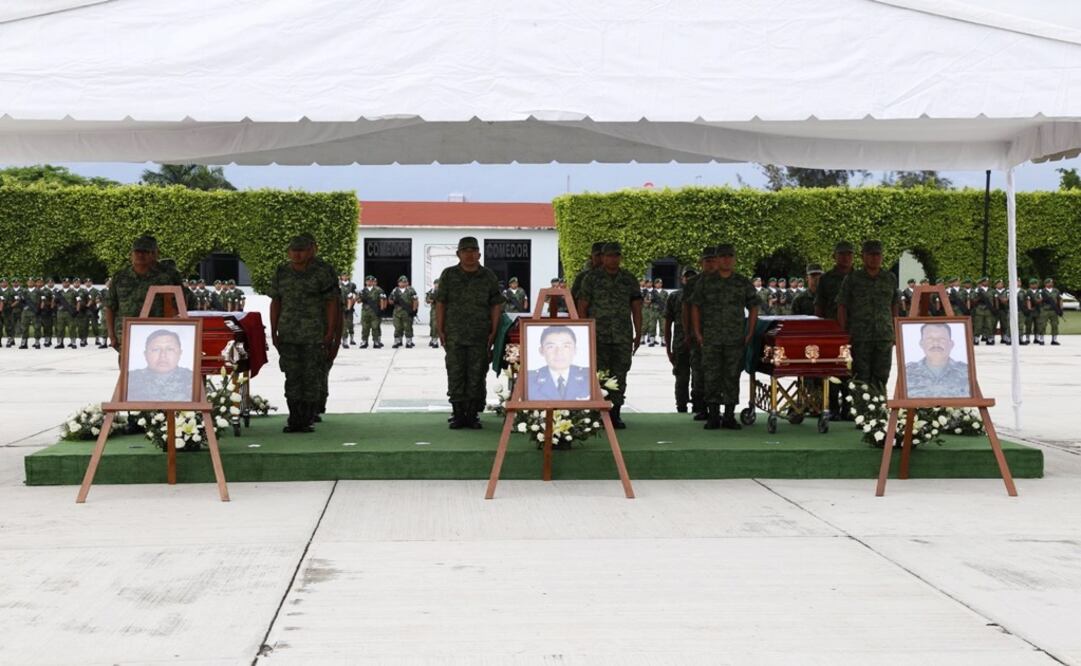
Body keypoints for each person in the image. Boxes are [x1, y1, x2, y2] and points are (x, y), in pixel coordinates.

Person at [268, 234, 340, 433]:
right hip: (289, 333)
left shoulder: (322, 271)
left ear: (312, 250)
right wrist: (274, 330)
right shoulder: (282, 272)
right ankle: (294, 417)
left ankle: (307, 417)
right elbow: (276, 302)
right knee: (292, 375)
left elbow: (332, 303)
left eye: (302, 250)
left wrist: (331, 332)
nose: (297, 254)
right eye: (294, 250)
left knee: (311, 376)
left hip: (314, 334)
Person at [435, 236, 505, 429]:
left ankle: (472, 414)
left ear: (479, 254)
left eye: (473, 251)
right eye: (465, 251)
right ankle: (458, 414)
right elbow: (440, 302)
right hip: (454, 334)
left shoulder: (488, 276)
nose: (469, 255)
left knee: (477, 374)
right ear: (458, 254)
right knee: (455, 372)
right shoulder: (448, 275)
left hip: (480, 334)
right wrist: (440, 329)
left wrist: (494, 331)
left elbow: (496, 305)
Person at [688, 244, 758, 429]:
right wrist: (697, 332)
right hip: (711, 338)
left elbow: (753, 306)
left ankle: (728, 416)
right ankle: (712, 415)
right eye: (723, 256)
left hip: (735, 338)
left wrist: (750, 331)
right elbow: (695, 305)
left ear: (734, 259)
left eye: (730, 256)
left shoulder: (742, 282)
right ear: (717, 259)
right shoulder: (705, 282)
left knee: (732, 375)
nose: (726, 260)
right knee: (711, 375)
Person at [576, 242, 642, 429]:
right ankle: (597, 414)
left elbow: (636, 307)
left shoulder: (628, 279)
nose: (613, 259)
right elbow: (583, 305)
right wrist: (583, 331)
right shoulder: (591, 278)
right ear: (603, 257)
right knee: (598, 375)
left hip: (622, 336)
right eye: (609, 255)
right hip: (598, 335)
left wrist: (638, 332)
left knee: (620, 375)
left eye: (616, 255)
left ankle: (615, 414)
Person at [837, 239, 900, 393]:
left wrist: (896, 330)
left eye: (877, 255)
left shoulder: (889, 278)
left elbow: (895, 305)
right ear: (863, 257)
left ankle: (877, 409)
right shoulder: (853, 279)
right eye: (871, 255)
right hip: (860, 336)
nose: (874, 258)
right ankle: (861, 410)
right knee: (860, 375)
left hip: (883, 335)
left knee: (882, 374)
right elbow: (842, 305)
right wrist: (844, 332)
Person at [664, 267, 699, 413]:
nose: (689, 279)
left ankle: (699, 406)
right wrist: (668, 349)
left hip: (698, 342)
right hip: (680, 343)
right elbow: (667, 324)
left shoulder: (702, 295)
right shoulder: (674, 297)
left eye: (692, 276)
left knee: (699, 377)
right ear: (681, 279)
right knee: (681, 378)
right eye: (687, 276)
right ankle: (681, 407)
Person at [904, 323, 971, 398]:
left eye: (942, 339)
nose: (936, 343)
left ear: (951, 344)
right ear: (921, 343)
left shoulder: (967, 371)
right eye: (930, 339)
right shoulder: (907, 372)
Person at [526, 325, 592, 401]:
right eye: (551, 347)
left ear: (575, 350)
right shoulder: (529, 380)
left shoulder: (589, 376)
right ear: (541, 351)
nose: (559, 352)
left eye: (566, 346)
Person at [126, 329, 195, 401]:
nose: (163, 355)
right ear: (145, 354)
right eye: (156, 349)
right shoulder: (131, 379)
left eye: (170, 349)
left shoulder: (192, 378)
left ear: (180, 353)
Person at [358, 275, 386, 349]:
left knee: (375, 327)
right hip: (365, 311)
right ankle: (364, 341)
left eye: (371, 281)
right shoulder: (362, 291)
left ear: (373, 282)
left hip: (375, 311)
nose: (369, 282)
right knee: (365, 327)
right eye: (368, 281)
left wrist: (382, 310)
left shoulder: (378, 290)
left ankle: (376, 341)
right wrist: (362, 298)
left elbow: (382, 300)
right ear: (365, 282)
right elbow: (358, 301)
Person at [390, 275, 418, 348]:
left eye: (405, 282)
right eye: (401, 282)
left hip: (407, 313)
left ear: (407, 283)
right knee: (397, 327)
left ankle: (409, 341)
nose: (403, 283)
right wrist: (393, 301)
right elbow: (390, 300)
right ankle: (397, 341)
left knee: (408, 327)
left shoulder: (411, 290)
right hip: (397, 313)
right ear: (398, 283)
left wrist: (414, 311)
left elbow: (415, 301)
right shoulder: (395, 290)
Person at [970, 276, 995, 345]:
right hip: (979, 310)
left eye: (987, 281)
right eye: (985, 281)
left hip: (989, 310)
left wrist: (995, 309)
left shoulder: (992, 290)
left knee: (989, 325)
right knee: (978, 325)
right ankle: (976, 339)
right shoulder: (976, 290)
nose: (987, 282)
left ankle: (989, 338)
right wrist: (979, 296)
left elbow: (995, 300)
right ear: (981, 282)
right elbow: (973, 299)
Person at [1041, 278, 1063, 346]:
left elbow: (1060, 300)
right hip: (1045, 310)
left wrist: (1060, 309)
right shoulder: (1042, 291)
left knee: (1055, 325)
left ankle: (1054, 339)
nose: (1051, 284)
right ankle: (1041, 339)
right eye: (1049, 282)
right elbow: (1038, 301)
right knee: (1043, 325)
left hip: (1054, 311)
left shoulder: (1056, 291)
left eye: (1052, 282)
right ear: (1046, 284)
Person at [339, 272, 357, 348]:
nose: (345, 276)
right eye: (343, 275)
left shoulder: (352, 285)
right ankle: (343, 340)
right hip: (340, 307)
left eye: (346, 275)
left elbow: (355, 295)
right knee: (342, 324)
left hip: (349, 307)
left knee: (349, 324)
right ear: (341, 276)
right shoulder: (338, 284)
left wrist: (352, 303)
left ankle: (351, 338)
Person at [648, 278, 667, 346]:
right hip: (654, 311)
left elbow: (667, 302)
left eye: (660, 283)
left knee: (663, 326)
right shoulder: (652, 292)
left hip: (662, 311)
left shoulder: (665, 292)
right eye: (657, 283)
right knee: (652, 326)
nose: (659, 284)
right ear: (655, 284)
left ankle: (663, 341)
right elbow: (649, 301)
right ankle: (652, 341)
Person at [993, 278, 1011, 345]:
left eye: (1001, 283)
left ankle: (1004, 337)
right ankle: (991, 338)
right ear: (995, 285)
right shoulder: (993, 291)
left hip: (1004, 310)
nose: (1000, 285)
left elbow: (1007, 299)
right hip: (995, 311)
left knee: (1004, 324)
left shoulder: (1007, 291)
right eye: (998, 284)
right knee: (993, 324)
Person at [425, 279, 440, 348]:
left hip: (441, 310)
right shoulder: (431, 292)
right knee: (432, 325)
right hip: (434, 310)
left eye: (438, 283)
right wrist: (433, 300)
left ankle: (435, 340)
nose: (437, 285)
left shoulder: (444, 291)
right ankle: (433, 339)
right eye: (436, 283)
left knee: (437, 325)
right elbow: (427, 300)